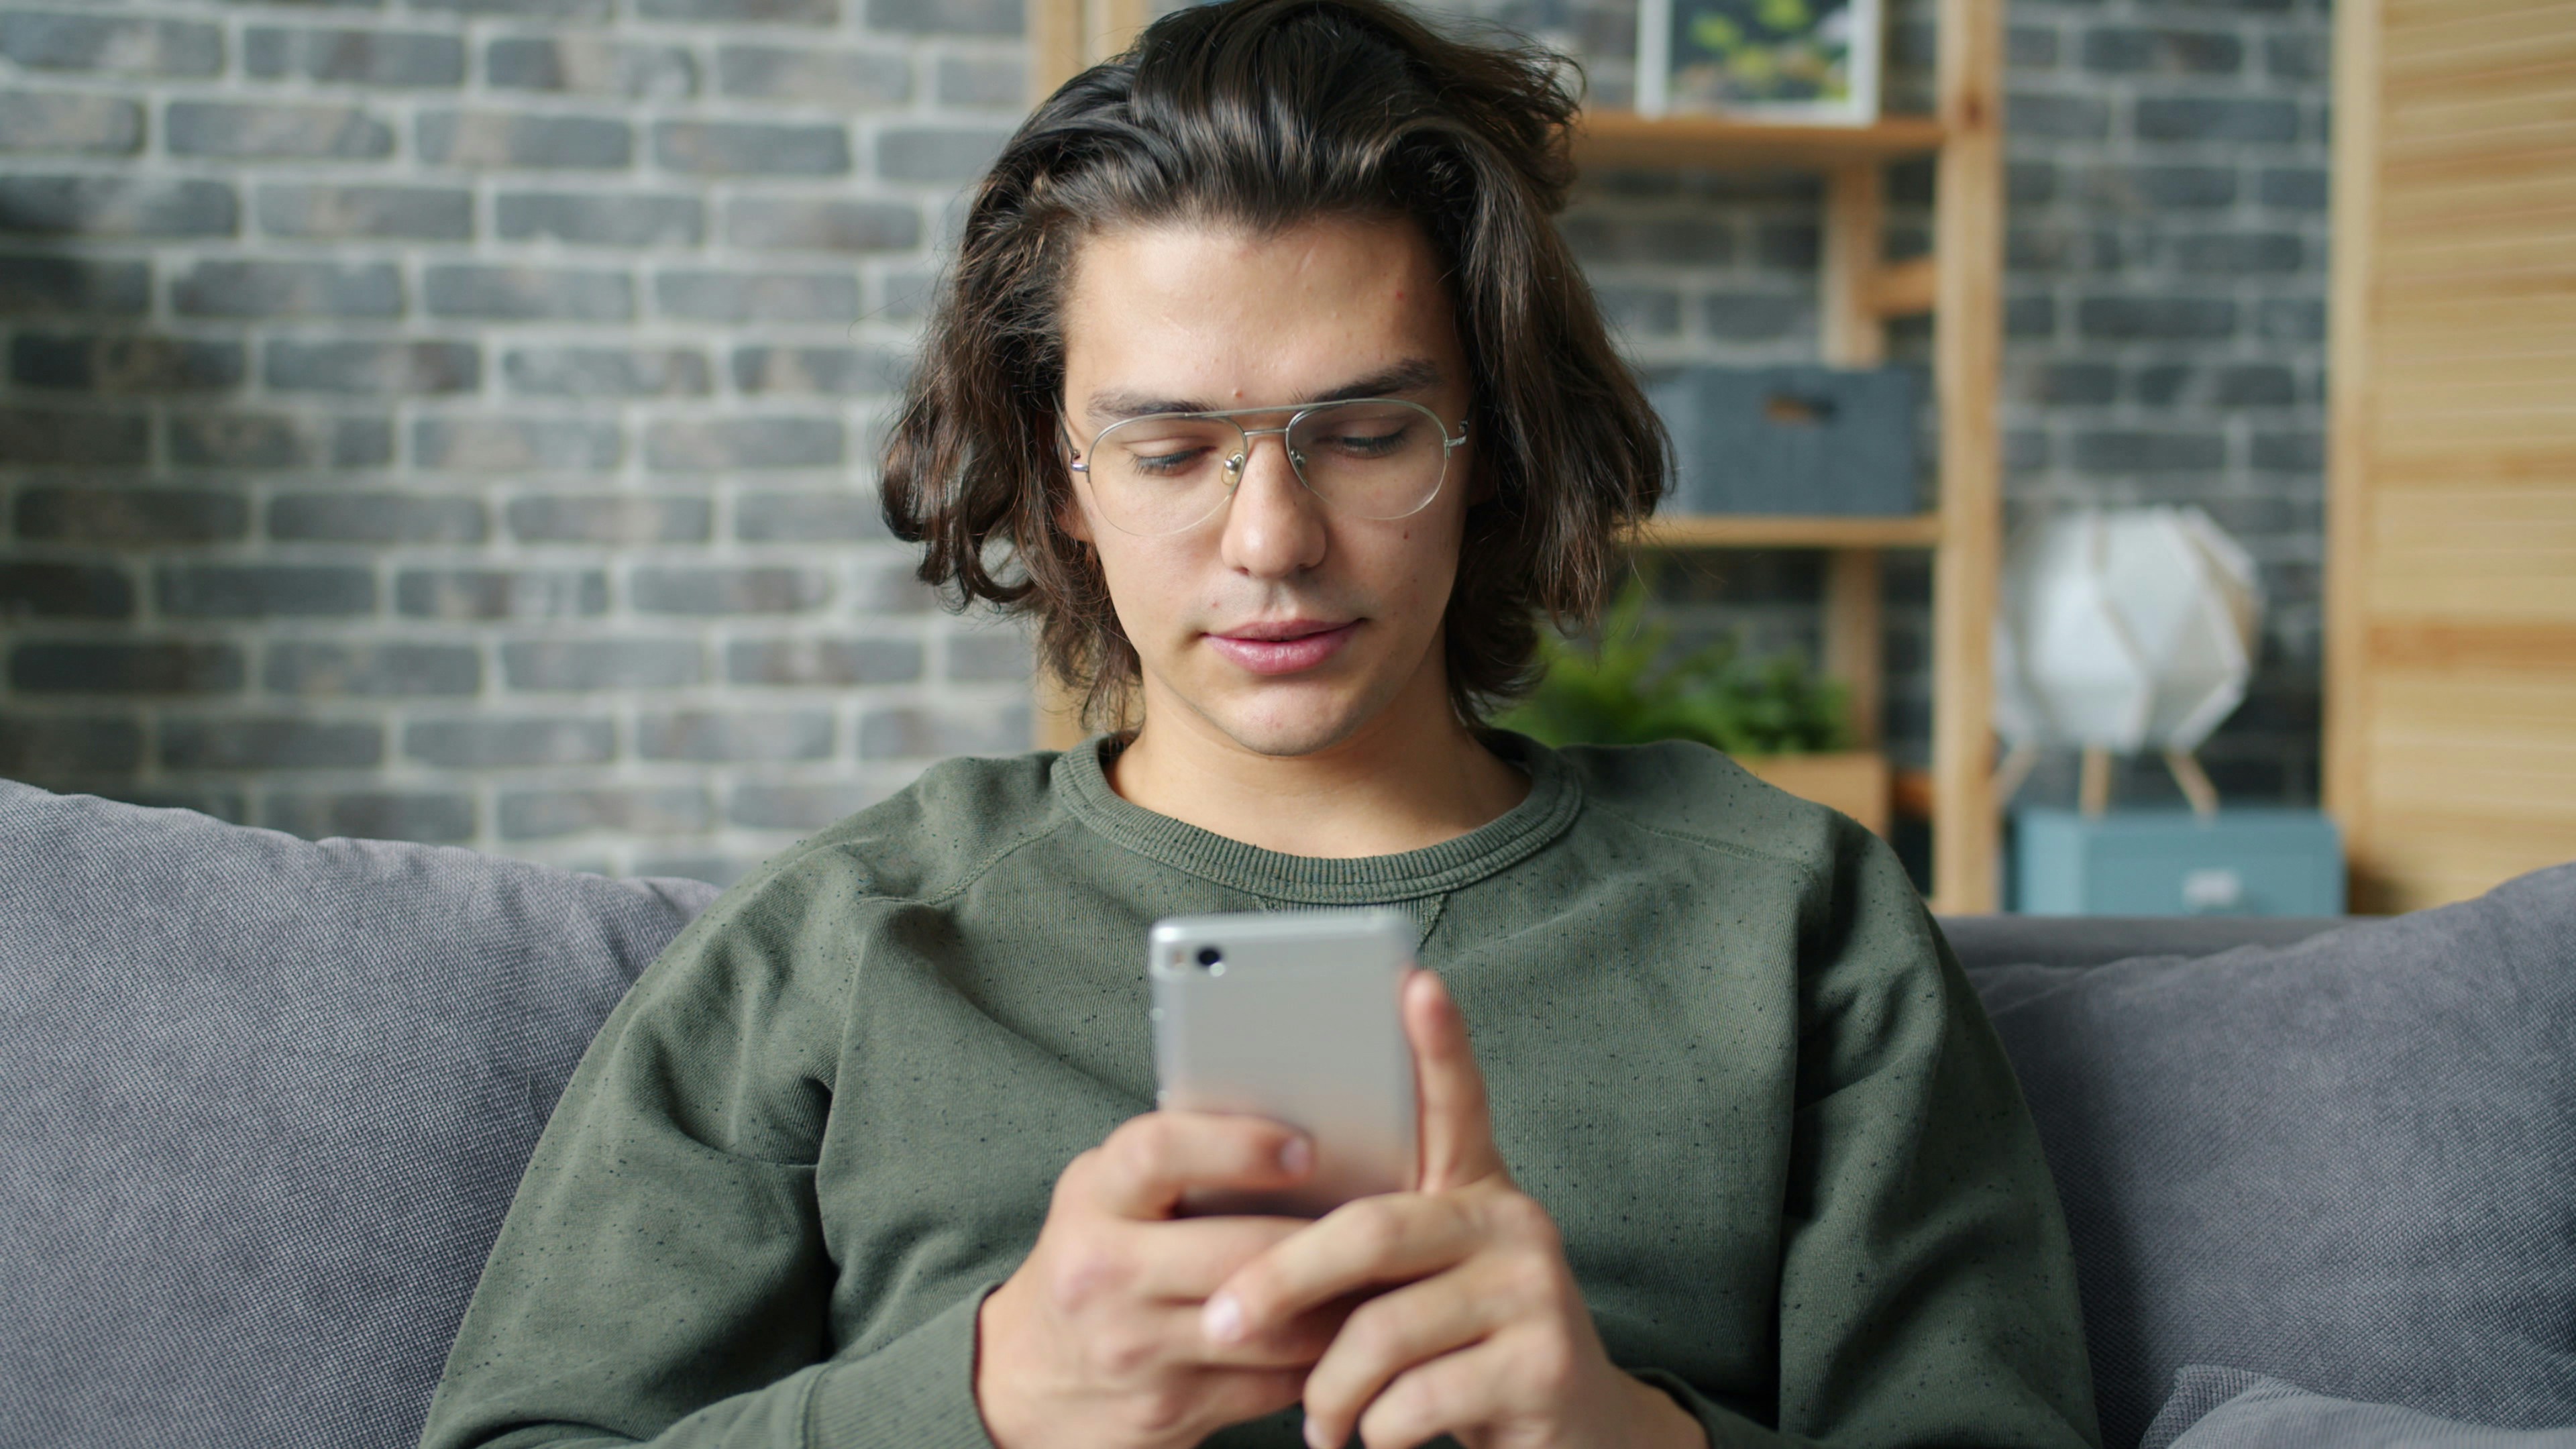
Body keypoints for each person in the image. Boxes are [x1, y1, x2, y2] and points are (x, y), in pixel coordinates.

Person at [418, 1, 2102, 1446]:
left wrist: (1620, 1430)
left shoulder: (1787, 918)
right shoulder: (843, 948)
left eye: (1365, 433)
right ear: (1059, 483)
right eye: (1167, 452)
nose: (1271, 540)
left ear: (1490, 445)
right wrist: (988, 1398)